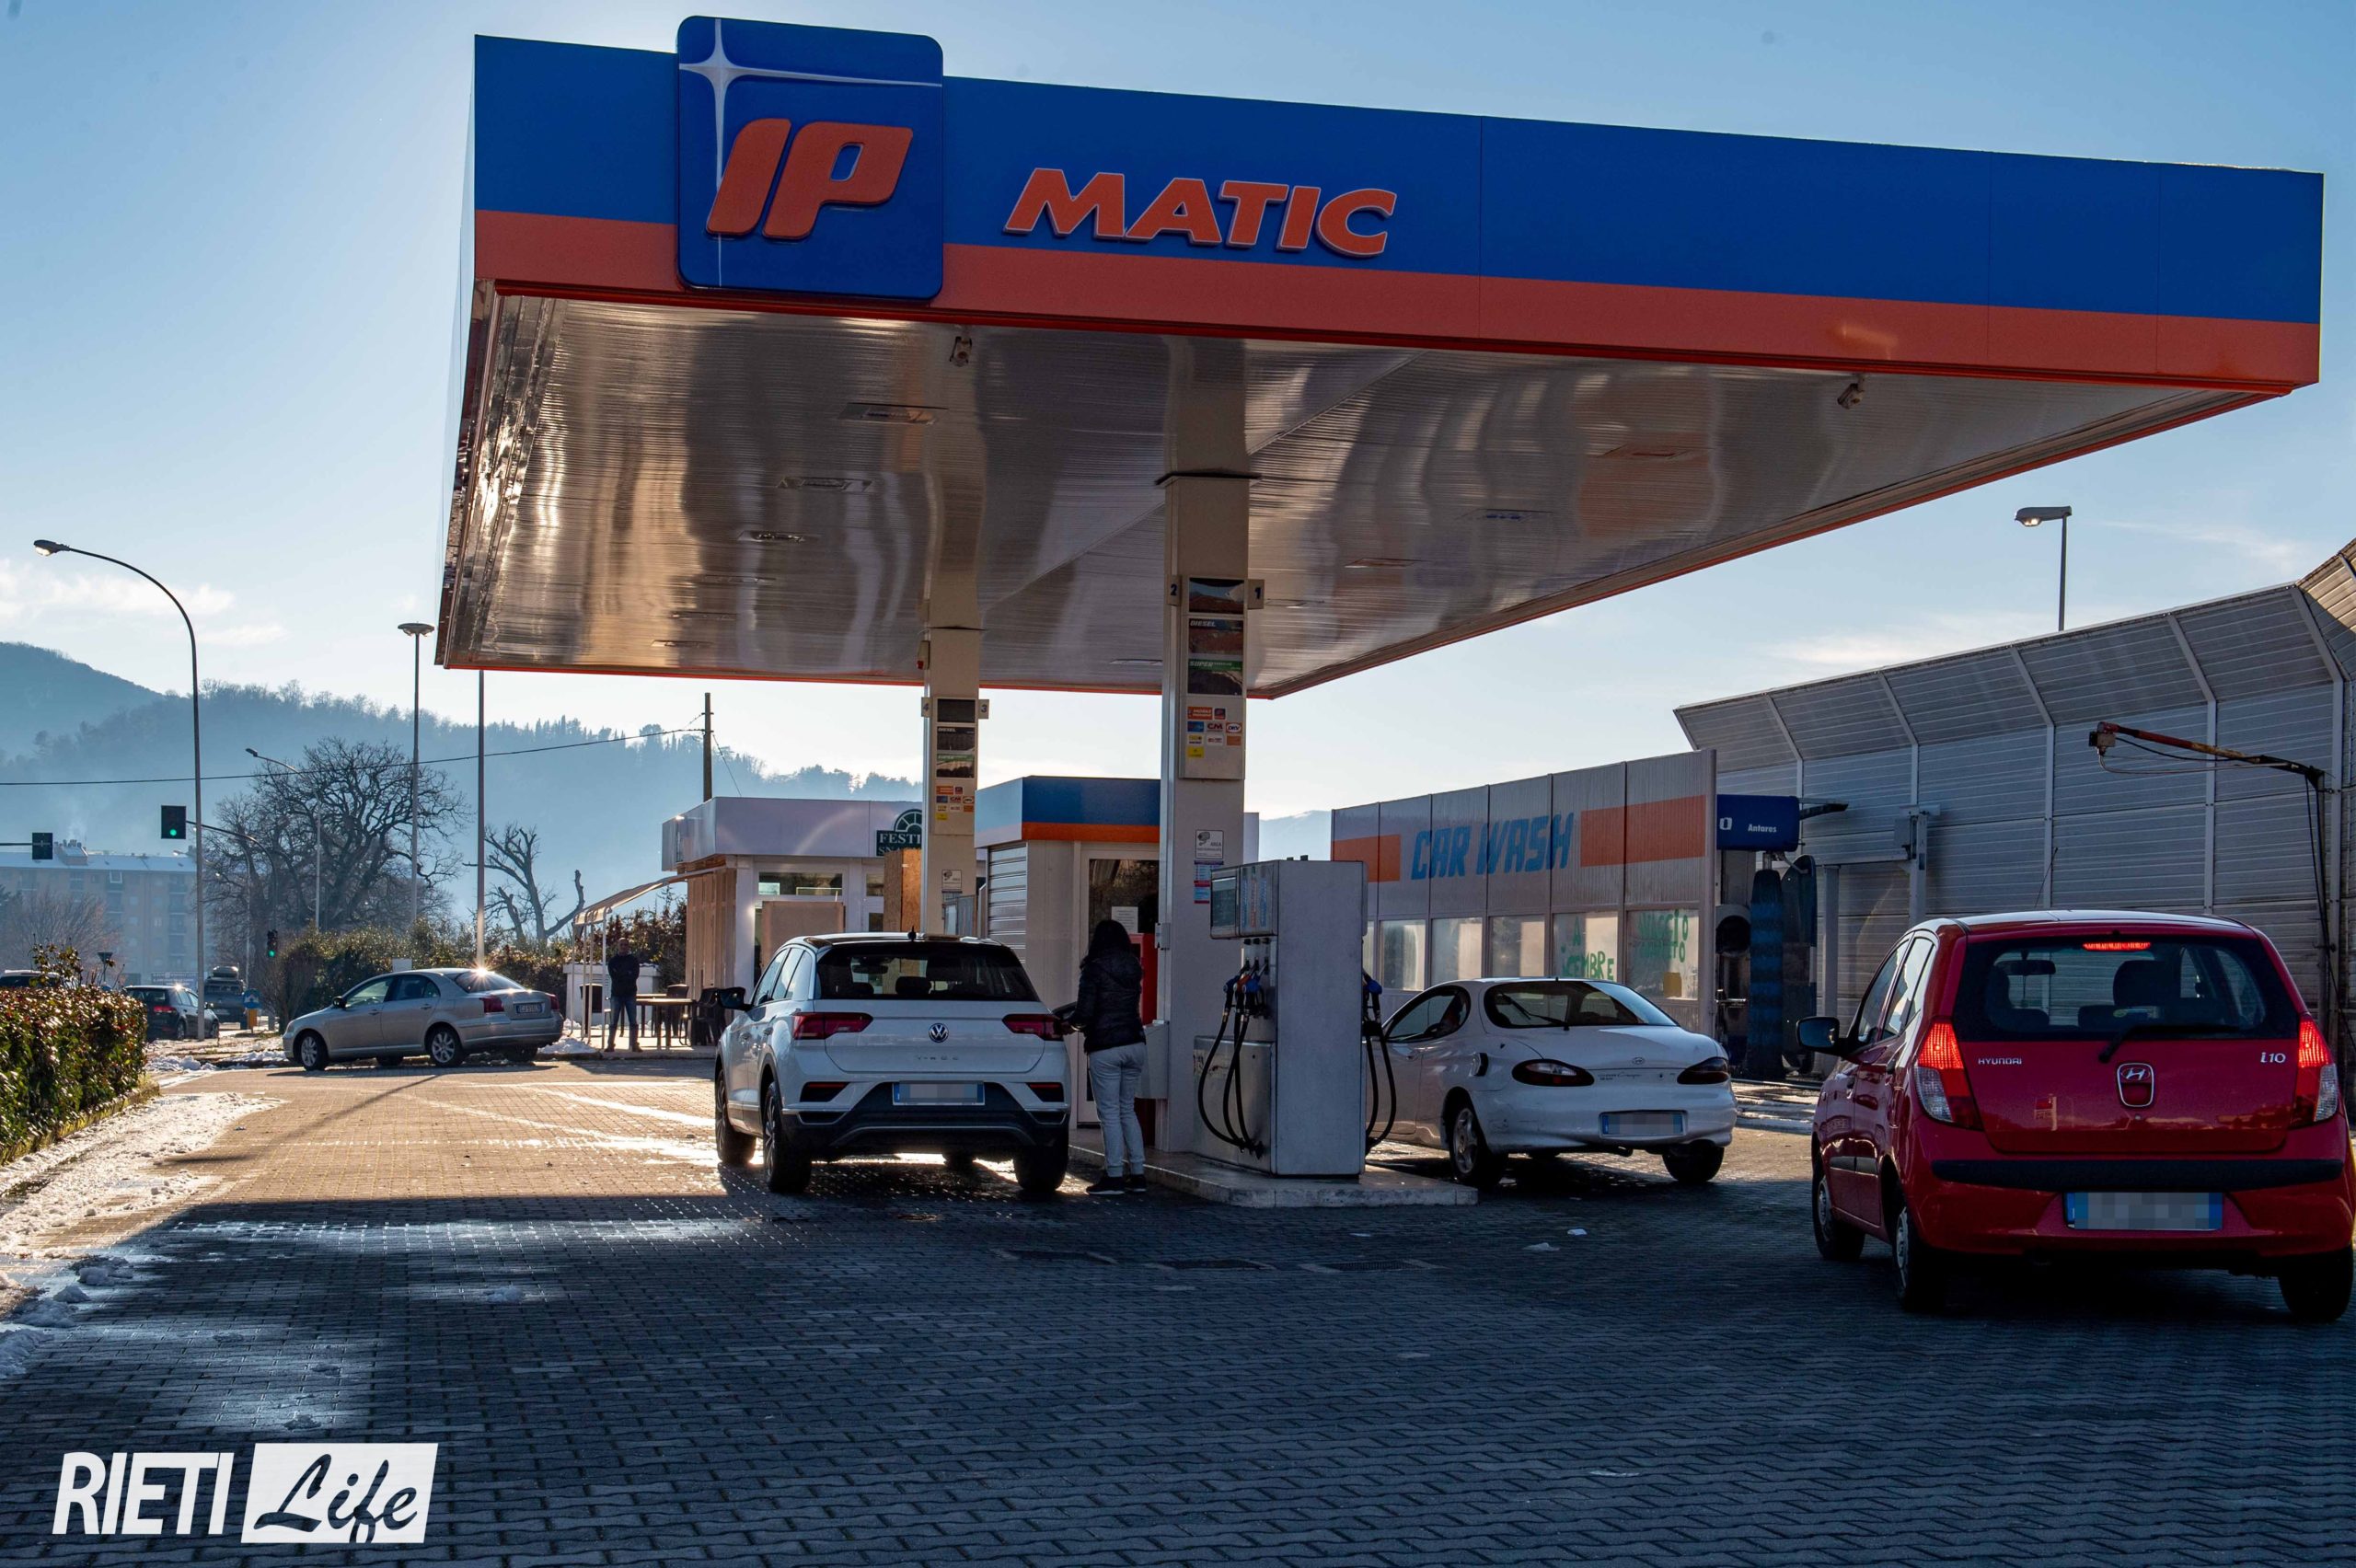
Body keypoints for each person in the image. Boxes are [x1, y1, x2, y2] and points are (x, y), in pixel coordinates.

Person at [1072, 919, 1148, 1195]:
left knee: (1109, 1113)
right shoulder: (1134, 966)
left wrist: (1069, 1025)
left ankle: (1114, 1175)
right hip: (1135, 1042)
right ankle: (1138, 1174)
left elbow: (1084, 1013)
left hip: (1106, 1047)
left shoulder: (1094, 969)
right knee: (1127, 1109)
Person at [605, 943, 642, 1052]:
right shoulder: (613, 961)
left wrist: (622, 973)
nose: (623, 947)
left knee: (633, 1020)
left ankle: (634, 1044)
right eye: (621, 945)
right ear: (618, 947)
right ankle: (610, 1045)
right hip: (616, 994)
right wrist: (626, 973)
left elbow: (634, 975)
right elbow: (614, 975)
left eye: (625, 945)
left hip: (630, 994)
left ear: (628, 947)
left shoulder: (633, 960)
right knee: (613, 1021)